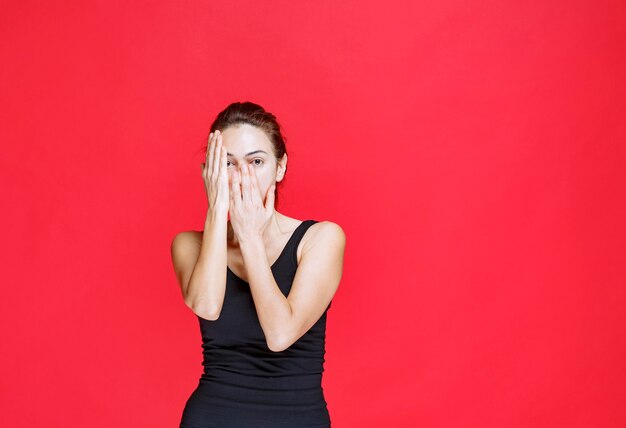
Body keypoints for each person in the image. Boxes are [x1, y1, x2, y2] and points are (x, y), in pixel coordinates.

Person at [170, 101, 345, 427]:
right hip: (212, 417)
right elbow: (207, 305)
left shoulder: (321, 239)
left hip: (297, 419)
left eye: (256, 161)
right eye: (228, 163)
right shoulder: (188, 244)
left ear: (280, 168)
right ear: (209, 171)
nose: (242, 175)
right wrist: (217, 211)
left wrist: (250, 237)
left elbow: (280, 335)